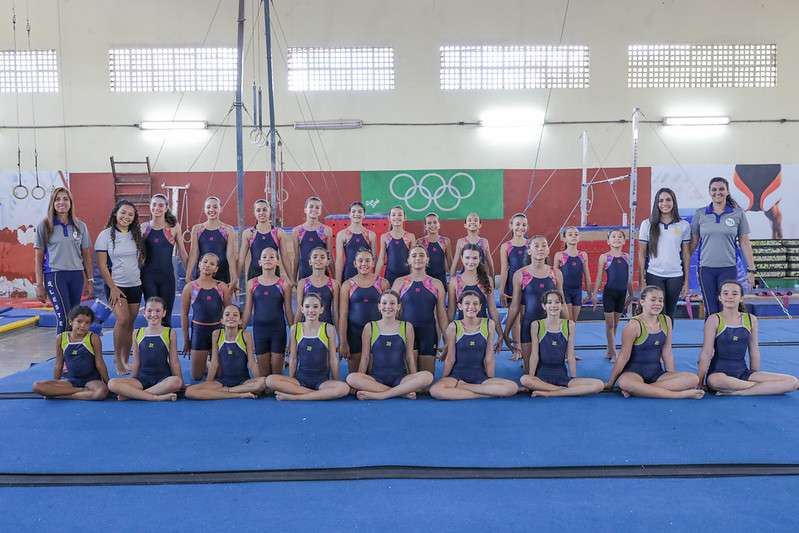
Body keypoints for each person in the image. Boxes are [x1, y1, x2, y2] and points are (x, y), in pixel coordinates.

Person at [697, 280, 798, 396]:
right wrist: (700, 381)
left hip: (744, 373)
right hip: (719, 374)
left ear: (741, 298)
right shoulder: (714, 319)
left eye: (734, 293)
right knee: (714, 381)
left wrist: (755, 375)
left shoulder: (751, 319)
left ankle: (738, 392)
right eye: (725, 293)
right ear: (719, 297)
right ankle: (763, 389)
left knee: (793, 382)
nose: (730, 296)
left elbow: (754, 352)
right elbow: (706, 353)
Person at [604, 285, 704, 399]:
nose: (657, 303)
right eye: (653, 300)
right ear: (642, 302)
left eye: (660, 300)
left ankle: (642, 390)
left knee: (693, 379)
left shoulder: (666, 321)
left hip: (656, 374)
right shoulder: (633, 325)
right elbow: (623, 357)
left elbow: (667, 353)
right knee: (625, 383)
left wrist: (671, 377)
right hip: (633, 374)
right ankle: (677, 395)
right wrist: (611, 383)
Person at [429, 291, 518, 400]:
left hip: (479, 375)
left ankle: (466, 388)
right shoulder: (453, 327)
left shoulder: (489, 324)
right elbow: (450, 358)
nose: (471, 307)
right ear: (460, 306)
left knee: (512, 387)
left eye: (475, 303)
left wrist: (490, 379)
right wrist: (444, 379)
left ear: (480, 307)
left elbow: (489, 357)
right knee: (435, 390)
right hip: (457, 375)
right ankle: (485, 393)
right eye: (467, 303)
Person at [346, 290, 434, 400]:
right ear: (379, 306)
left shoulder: (407, 327)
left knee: (427, 376)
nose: (388, 306)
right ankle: (401, 392)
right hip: (376, 379)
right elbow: (365, 357)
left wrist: (413, 378)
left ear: (398, 306)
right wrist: (360, 378)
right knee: (351, 378)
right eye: (384, 303)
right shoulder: (370, 327)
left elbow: (409, 356)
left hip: (401, 379)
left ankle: (381, 394)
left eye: (392, 303)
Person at [689, 177, 756, 316]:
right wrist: (682, 265)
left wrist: (751, 270)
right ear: (709, 192)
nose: (717, 192)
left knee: (728, 309)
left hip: (728, 269)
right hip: (706, 270)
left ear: (727, 191)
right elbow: (693, 243)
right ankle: (710, 338)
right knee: (711, 310)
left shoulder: (738, 214)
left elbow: (744, 243)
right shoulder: (700, 214)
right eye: (714, 189)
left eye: (721, 189)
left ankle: (728, 338)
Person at [265, 293, 350, 401]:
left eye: (315, 307)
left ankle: (295, 397)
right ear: (302, 309)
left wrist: (335, 380)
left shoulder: (328, 328)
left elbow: (333, 358)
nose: (311, 310)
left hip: (322, 381)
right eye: (307, 306)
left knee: (343, 388)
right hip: (300, 379)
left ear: (321, 310)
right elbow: (293, 358)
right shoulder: (295, 329)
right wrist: (291, 381)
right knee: (270, 380)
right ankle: (319, 394)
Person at [95, 200, 146, 375]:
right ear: (116, 213)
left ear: (134, 218)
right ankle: (117, 359)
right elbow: (102, 265)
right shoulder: (105, 235)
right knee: (122, 320)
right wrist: (113, 287)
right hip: (116, 285)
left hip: (135, 285)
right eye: (123, 212)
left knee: (131, 323)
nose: (126, 217)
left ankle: (125, 358)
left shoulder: (136, 234)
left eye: (130, 214)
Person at [34, 187, 94, 335]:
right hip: (55, 276)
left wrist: (90, 280)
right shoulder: (44, 226)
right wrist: (39, 284)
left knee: (75, 319)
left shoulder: (81, 226)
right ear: (52, 203)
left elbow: (86, 254)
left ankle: (73, 354)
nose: (62, 202)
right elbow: (38, 257)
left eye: (65, 199)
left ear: (71, 203)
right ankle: (60, 358)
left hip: (76, 276)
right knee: (64, 319)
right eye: (57, 199)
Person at [520, 291, 603, 397]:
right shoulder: (537, 325)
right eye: (549, 302)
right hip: (542, 377)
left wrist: (574, 378)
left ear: (562, 305)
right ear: (544, 306)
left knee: (598, 384)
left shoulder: (569, 325)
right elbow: (534, 356)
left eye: (557, 302)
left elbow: (570, 356)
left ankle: (550, 393)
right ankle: (562, 390)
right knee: (525, 379)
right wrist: (531, 379)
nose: (553, 306)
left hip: (561, 376)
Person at [504, 236, 564, 373]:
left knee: (546, 370)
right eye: (536, 246)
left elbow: (563, 303)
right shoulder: (521, 275)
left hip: (551, 327)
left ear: (548, 251)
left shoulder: (556, 273)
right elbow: (514, 306)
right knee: (529, 371)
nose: (540, 248)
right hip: (528, 325)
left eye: (544, 245)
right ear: (529, 251)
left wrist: (568, 325)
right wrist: (506, 332)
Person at [107, 296, 183, 401]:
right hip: (142, 379)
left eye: (157, 311)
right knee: (112, 383)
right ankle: (155, 397)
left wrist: (181, 382)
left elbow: (174, 361)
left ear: (164, 313)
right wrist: (132, 381)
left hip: (163, 378)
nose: (153, 314)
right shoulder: (137, 333)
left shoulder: (170, 333)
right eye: (149, 311)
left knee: (176, 382)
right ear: (144, 313)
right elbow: (135, 361)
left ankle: (135, 395)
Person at [185, 304, 268, 400]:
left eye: (235, 315)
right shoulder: (216, 334)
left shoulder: (246, 335)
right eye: (227, 315)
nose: (231, 317)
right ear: (222, 320)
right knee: (190, 392)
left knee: (262, 382)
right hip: (223, 381)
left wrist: (256, 380)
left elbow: (252, 362)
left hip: (243, 381)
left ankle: (226, 391)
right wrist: (208, 383)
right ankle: (238, 394)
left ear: (240, 321)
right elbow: (214, 362)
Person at [391, 244, 449, 374]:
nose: (418, 258)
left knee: (426, 379)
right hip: (405, 333)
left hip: (428, 334)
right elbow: (392, 314)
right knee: (408, 377)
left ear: (427, 259)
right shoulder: (400, 282)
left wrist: (447, 339)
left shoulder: (436, 284)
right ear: (408, 260)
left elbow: (441, 315)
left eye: (422, 255)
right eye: (414, 255)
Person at [32, 305, 109, 400]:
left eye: (87, 323)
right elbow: (58, 364)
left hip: (91, 381)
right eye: (79, 321)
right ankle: (80, 391)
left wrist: (107, 383)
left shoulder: (93, 338)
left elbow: (100, 363)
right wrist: (56, 384)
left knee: (101, 392)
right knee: (37, 386)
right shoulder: (61, 338)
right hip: (71, 381)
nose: (83, 326)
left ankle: (66, 395)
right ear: (71, 321)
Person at [637, 188, 690, 321]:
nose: (664, 203)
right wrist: (641, 280)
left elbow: (686, 254)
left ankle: (668, 341)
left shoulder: (683, 225)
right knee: (656, 313)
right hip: (654, 274)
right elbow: (642, 254)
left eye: (668, 200)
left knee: (669, 314)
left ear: (673, 202)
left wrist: (686, 282)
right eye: (661, 200)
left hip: (675, 276)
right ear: (656, 203)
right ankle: (656, 341)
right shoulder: (647, 224)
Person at [242, 247, 294, 378]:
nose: (268, 259)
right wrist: (240, 330)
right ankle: (280, 362)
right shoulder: (251, 283)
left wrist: (294, 335)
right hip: (260, 330)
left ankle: (281, 362)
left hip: (278, 330)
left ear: (278, 262)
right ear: (259, 262)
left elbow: (288, 310)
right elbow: (248, 309)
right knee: (265, 376)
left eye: (271, 257)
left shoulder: (284, 284)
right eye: (264, 257)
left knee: (276, 376)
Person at [181, 253, 231, 381]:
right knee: (196, 376)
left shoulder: (222, 287)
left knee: (220, 374)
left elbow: (229, 314)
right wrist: (187, 340)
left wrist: (230, 338)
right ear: (199, 265)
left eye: (212, 264)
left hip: (218, 332)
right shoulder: (190, 287)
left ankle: (209, 363)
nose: (207, 265)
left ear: (216, 269)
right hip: (199, 333)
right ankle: (206, 363)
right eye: (205, 262)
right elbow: (184, 315)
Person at [339, 248, 391, 373]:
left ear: (373, 263)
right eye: (360, 261)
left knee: (375, 375)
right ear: (355, 263)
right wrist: (343, 341)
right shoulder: (347, 285)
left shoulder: (383, 283)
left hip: (377, 333)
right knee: (356, 377)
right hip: (354, 334)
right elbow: (343, 315)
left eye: (367, 260)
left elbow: (390, 313)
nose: (364, 264)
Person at [141, 194, 189, 327]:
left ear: (166, 208)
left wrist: (190, 276)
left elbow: (183, 253)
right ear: (150, 206)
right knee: (152, 315)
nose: (157, 208)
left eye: (161, 205)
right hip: (148, 276)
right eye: (154, 205)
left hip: (167, 277)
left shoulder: (173, 227)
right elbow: (136, 255)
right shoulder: (144, 228)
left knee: (166, 316)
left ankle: (167, 347)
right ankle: (153, 345)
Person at [448, 244, 504, 352]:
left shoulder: (487, 280)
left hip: (482, 330)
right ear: (461, 258)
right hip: (461, 330)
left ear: (480, 259)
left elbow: (492, 309)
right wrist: (447, 335)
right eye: (467, 258)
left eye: (474, 258)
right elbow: (451, 310)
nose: (471, 261)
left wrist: (500, 333)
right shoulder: (455, 282)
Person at [592, 229, 633, 362]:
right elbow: (599, 277)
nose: (617, 239)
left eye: (620, 236)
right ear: (608, 241)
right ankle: (614, 353)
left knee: (616, 324)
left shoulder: (626, 256)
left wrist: (631, 293)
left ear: (624, 241)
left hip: (621, 294)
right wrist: (594, 295)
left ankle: (609, 350)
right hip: (609, 293)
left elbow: (628, 277)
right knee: (610, 325)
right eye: (613, 237)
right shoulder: (605, 257)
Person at [185, 196, 238, 290]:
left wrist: (234, 278)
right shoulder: (197, 229)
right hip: (203, 271)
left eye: (215, 207)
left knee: (222, 302)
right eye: (208, 207)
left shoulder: (227, 229)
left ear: (221, 209)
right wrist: (188, 274)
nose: (211, 210)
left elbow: (231, 255)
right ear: (205, 210)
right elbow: (193, 254)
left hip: (222, 272)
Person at [237, 199, 291, 282]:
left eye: (264, 210)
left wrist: (292, 279)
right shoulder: (249, 233)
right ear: (254, 213)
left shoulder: (278, 233)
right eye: (258, 210)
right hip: (254, 274)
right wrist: (234, 280)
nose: (261, 212)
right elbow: (241, 259)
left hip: (274, 275)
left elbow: (285, 258)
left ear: (269, 212)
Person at [499, 213, 530, 348]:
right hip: (512, 284)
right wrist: (501, 290)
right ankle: (517, 348)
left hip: (528, 284)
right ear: (511, 226)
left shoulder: (530, 245)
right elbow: (504, 269)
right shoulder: (506, 246)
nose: (520, 227)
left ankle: (526, 346)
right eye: (517, 224)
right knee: (514, 316)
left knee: (525, 316)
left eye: (523, 225)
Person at [553, 226, 592, 322]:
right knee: (568, 320)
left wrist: (589, 293)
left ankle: (571, 337)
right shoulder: (560, 255)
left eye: (576, 234)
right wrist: (555, 293)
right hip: (564, 291)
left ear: (579, 238)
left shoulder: (583, 255)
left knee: (574, 321)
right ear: (565, 239)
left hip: (577, 292)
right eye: (570, 234)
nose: (574, 236)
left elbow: (587, 275)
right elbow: (554, 276)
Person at [292, 196, 334, 282]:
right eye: (311, 207)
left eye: (317, 207)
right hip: (304, 272)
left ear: (320, 211)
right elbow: (296, 257)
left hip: (322, 273)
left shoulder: (326, 230)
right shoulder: (298, 231)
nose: (314, 209)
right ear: (305, 210)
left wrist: (335, 278)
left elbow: (330, 256)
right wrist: (293, 279)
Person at [335, 201, 377, 283]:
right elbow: (339, 260)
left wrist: (376, 278)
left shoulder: (370, 235)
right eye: (353, 211)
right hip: (349, 272)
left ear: (364, 215)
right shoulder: (342, 234)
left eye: (360, 211)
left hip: (365, 273)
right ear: (349, 214)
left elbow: (374, 258)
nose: (356, 214)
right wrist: (337, 282)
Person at [375, 205, 415, 284]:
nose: (397, 217)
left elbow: (413, 260)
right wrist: (376, 279)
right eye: (393, 215)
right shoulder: (385, 237)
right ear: (389, 218)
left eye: (400, 215)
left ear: (405, 218)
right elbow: (381, 260)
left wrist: (414, 277)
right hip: (390, 276)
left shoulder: (410, 237)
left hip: (406, 276)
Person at [449, 212, 495, 278]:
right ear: (465, 225)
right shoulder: (461, 242)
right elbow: (454, 265)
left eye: (476, 220)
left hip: (481, 277)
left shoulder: (484, 242)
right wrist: (451, 281)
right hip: (465, 278)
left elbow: (491, 265)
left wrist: (492, 282)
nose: (472, 222)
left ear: (480, 225)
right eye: (469, 220)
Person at [418, 212, 452, 289]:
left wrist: (452, 279)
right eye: (429, 223)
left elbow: (450, 261)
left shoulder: (445, 241)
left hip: (441, 278)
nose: (432, 225)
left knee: (441, 301)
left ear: (439, 225)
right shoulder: (421, 242)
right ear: (425, 226)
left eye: (435, 222)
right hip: (425, 279)